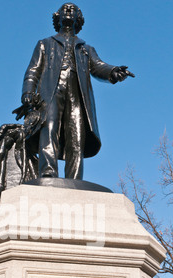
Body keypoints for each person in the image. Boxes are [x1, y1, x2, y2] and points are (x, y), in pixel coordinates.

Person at [21, 3, 134, 180]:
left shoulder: (86, 49)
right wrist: (28, 92)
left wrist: (113, 71)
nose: (68, 11)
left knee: (76, 135)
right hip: (50, 93)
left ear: (78, 19)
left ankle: (74, 179)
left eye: (73, 10)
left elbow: (99, 67)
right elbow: (33, 70)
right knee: (49, 129)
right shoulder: (45, 44)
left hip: (77, 94)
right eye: (65, 9)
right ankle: (48, 174)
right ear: (57, 17)